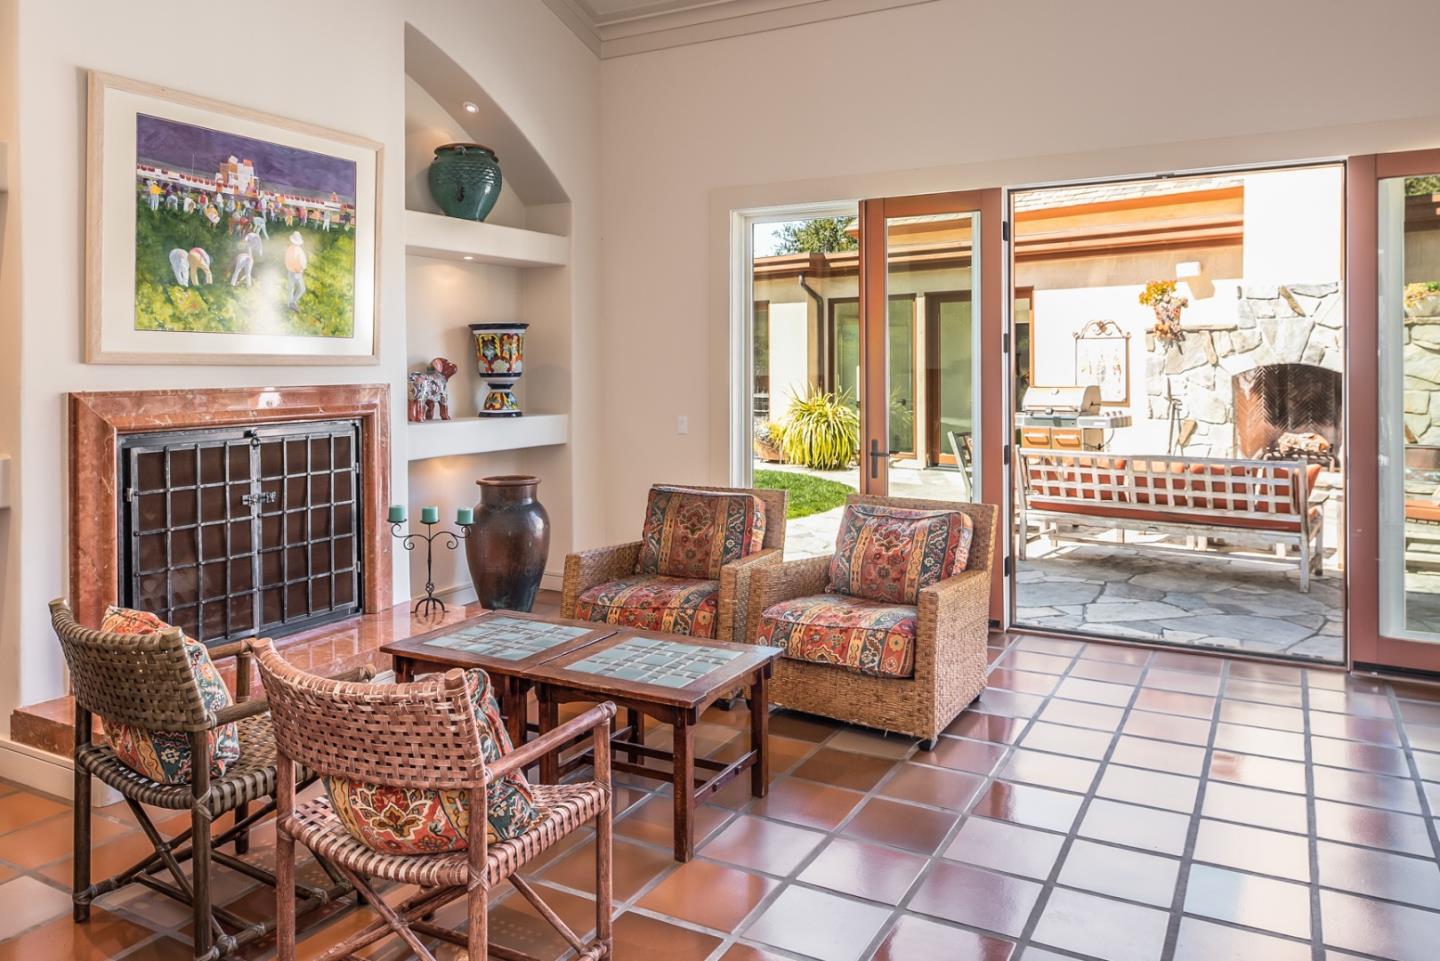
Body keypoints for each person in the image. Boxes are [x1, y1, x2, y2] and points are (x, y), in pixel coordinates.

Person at [284, 231, 307, 309]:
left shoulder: (289, 249)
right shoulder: (299, 251)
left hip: (291, 272)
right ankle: (292, 302)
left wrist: (290, 268)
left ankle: (290, 303)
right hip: (297, 272)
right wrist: (300, 269)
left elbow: (286, 261)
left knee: (291, 288)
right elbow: (302, 263)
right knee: (301, 288)